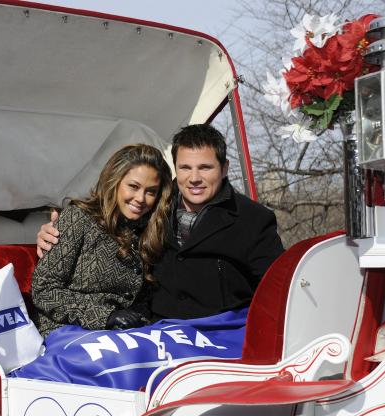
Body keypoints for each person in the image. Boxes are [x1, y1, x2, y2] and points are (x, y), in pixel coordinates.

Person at [37, 124, 284, 321]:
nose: (195, 178)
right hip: (157, 330)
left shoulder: (253, 219)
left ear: (224, 168)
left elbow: (277, 289)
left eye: (205, 167)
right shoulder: (155, 208)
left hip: (218, 331)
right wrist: (54, 232)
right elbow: (101, 223)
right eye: (186, 168)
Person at [31, 144, 173, 339]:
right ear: (114, 181)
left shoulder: (150, 231)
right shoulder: (79, 218)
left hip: (124, 334)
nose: (140, 198)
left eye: (151, 191)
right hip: (68, 331)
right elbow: (44, 289)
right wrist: (105, 316)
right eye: (133, 186)